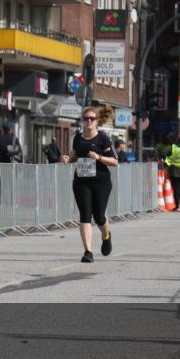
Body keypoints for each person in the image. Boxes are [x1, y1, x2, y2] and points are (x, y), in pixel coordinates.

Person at [61, 107, 118, 262]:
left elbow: (114, 161)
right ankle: (88, 252)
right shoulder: (78, 138)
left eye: (92, 118)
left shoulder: (103, 139)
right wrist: (67, 158)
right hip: (81, 181)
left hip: (101, 181)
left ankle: (106, 236)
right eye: (86, 118)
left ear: (96, 121)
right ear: (82, 120)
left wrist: (98, 157)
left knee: (99, 216)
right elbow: (73, 154)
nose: (89, 121)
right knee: (85, 215)